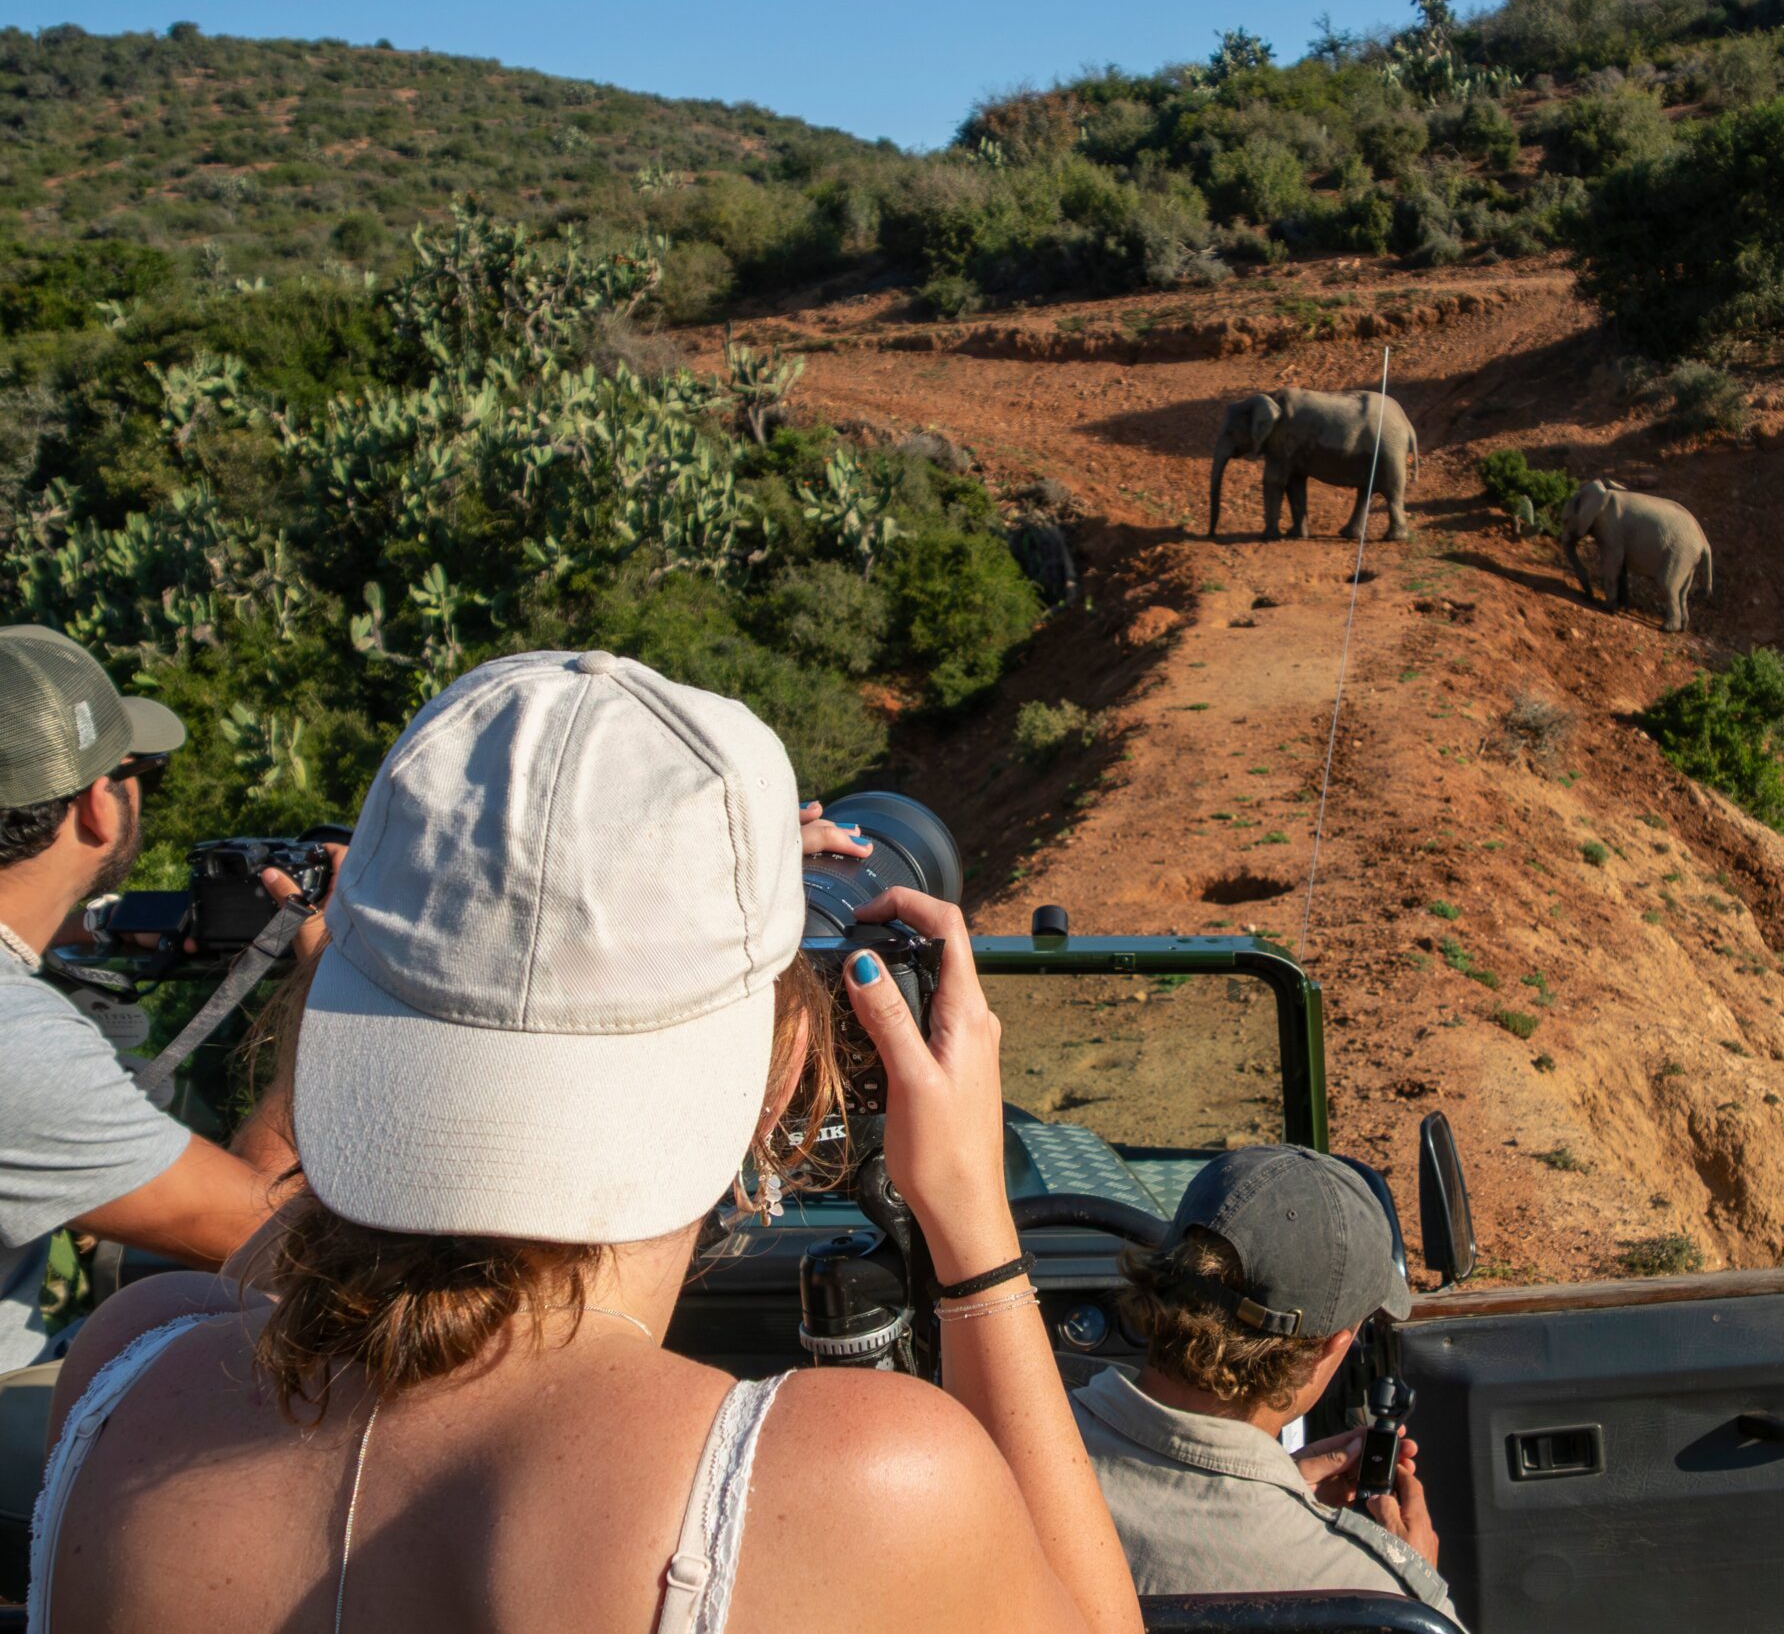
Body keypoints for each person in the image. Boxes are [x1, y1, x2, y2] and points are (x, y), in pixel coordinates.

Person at [25, 649, 1142, 1634]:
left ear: (331, 1017)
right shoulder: (850, 1480)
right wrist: (973, 1229)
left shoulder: (128, 1372)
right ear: (787, 1072)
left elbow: (314, 1262)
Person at [0, 624, 319, 1369]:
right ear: (97, 806)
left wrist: (90, 925)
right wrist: (316, 987)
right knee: (224, 1353)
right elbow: (267, 1234)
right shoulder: (20, 1043)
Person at [1073, 1146, 1465, 1627]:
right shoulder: (1376, 1598)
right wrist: (1412, 1579)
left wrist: (1279, 1488)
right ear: (1330, 1348)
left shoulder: (999, 1453)